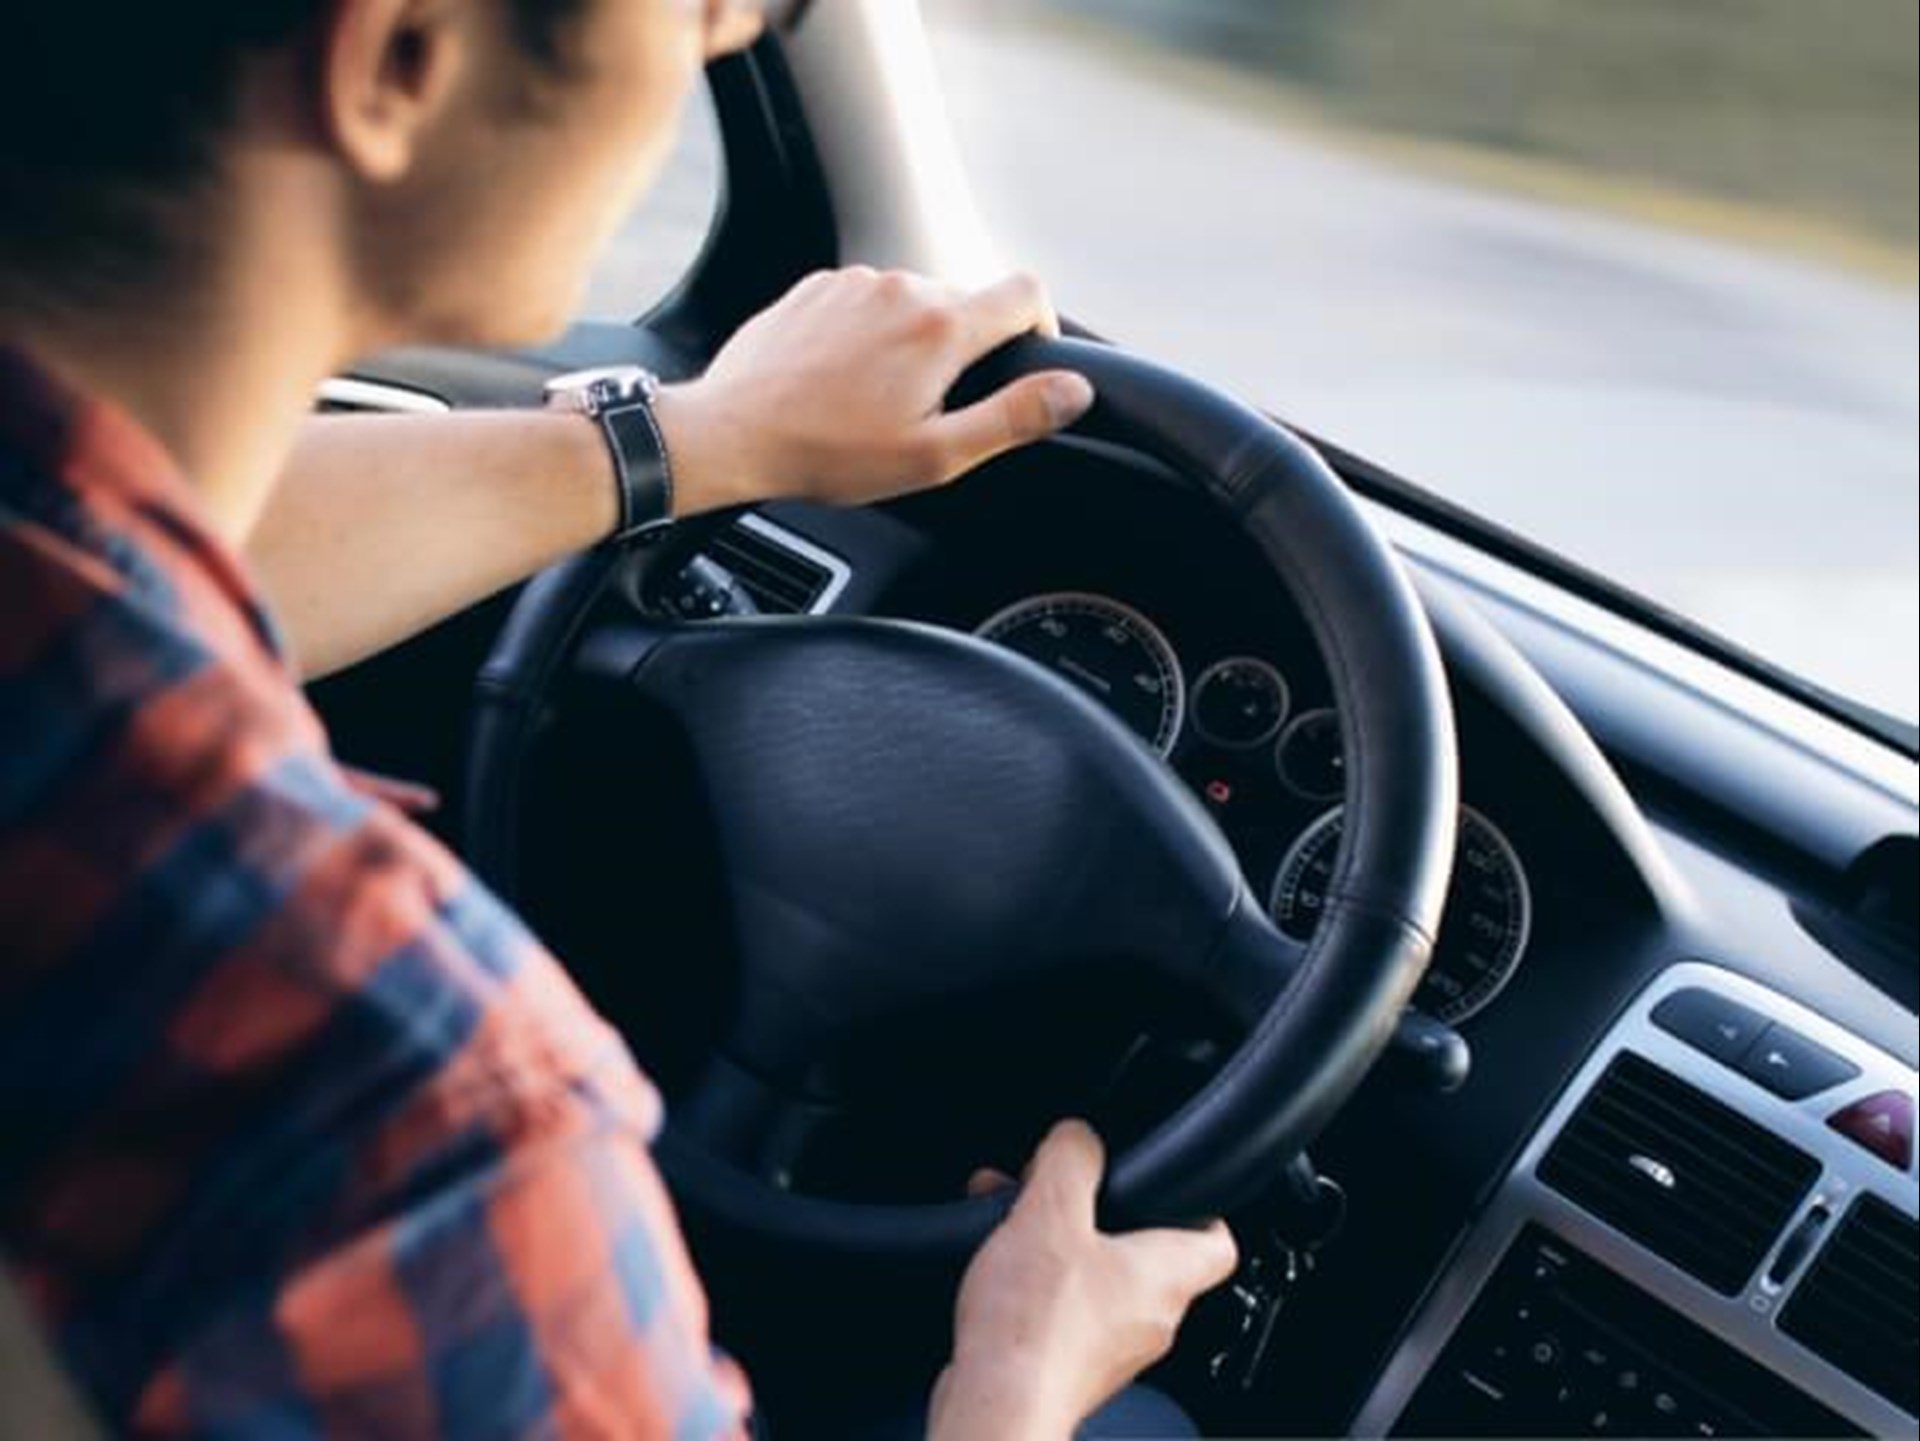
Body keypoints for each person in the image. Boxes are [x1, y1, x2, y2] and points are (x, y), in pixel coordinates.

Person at [0, 1, 1241, 1437]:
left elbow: (148, 552)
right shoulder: (409, 1128)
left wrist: (705, 438)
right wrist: (1017, 1383)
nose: (722, 38)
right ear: (397, 55)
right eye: (705, 1)